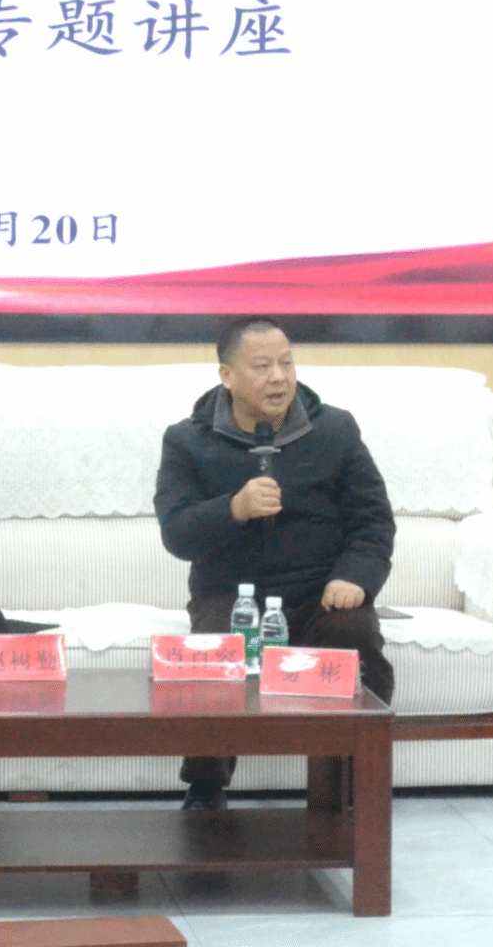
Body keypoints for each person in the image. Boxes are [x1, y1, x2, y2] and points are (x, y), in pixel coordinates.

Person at [155, 316, 397, 810]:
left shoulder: (335, 430)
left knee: (355, 636)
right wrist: (232, 508)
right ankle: (206, 788)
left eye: (286, 363)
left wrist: (355, 576)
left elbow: (373, 520)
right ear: (227, 376)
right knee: (213, 653)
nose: (279, 378)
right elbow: (177, 533)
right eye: (262, 366)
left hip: (319, 593)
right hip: (230, 595)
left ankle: (348, 787)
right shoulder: (186, 440)